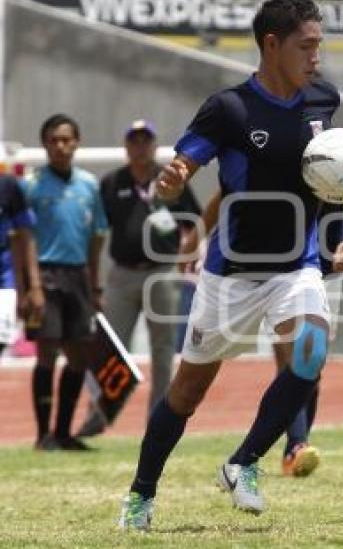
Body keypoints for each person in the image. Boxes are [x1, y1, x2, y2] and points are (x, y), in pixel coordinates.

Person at [119, 0, 343, 531]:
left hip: (296, 265)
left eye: (319, 47)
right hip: (230, 274)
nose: (316, 58)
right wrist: (174, 177)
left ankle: (243, 462)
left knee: (309, 354)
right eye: (307, 47)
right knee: (186, 394)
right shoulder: (230, 108)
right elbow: (188, 160)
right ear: (271, 45)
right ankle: (141, 495)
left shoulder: (322, 101)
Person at [178, 190, 343, 477]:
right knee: (292, 356)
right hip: (284, 262)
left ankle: (292, 445)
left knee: (311, 363)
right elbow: (229, 186)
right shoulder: (278, 151)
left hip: (326, 258)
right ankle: (295, 445)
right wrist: (197, 235)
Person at [75, 120, 201, 438]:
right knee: (109, 347)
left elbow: (196, 221)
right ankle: (97, 415)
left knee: (163, 350)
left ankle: (157, 422)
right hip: (122, 273)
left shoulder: (171, 179)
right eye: (135, 140)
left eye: (146, 140)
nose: (140, 146)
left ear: (155, 145)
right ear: (126, 146)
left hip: (162, 271)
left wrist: (190, 254)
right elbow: (98, 230)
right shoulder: (112, 182)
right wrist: (95, 278)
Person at [22, 113, 109, 451]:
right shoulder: (32, 185)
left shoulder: (89, 184)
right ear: (45, 143)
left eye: (67, 139)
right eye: (54, 140)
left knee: (78, 357)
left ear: (77, 142)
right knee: (46, 352)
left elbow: (97, 234)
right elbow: (24, 237)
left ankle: (63, 432)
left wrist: (94, 282)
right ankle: (43, 435)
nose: (61, 146)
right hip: (44, 274)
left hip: (78, 276)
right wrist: (32, 285)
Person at [0, 175, 44, 357]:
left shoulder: (8, 186)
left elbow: (25, 235)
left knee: (2, 338)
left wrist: (32, 286)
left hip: (4, 278)